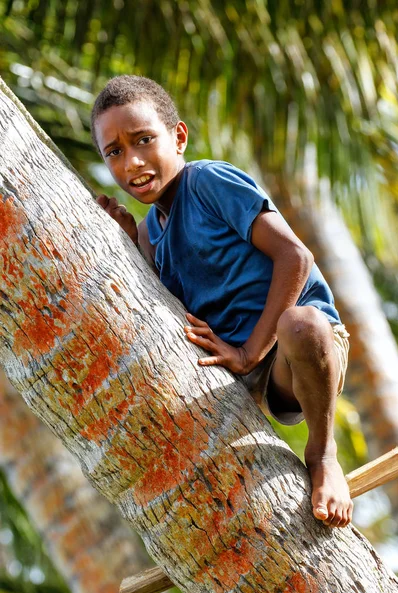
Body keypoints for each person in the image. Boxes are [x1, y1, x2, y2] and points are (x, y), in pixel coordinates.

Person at [91, 74, 353, 528]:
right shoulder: (153, 231)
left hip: (301, 353)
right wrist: (130, 241)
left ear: (178, 136)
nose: (131, 161)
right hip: (241, 377)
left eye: (144, 140)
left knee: (300, 323)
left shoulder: (207, 181)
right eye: (114, 152)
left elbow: (296, 256)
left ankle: (323, 453)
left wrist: (250, 352)